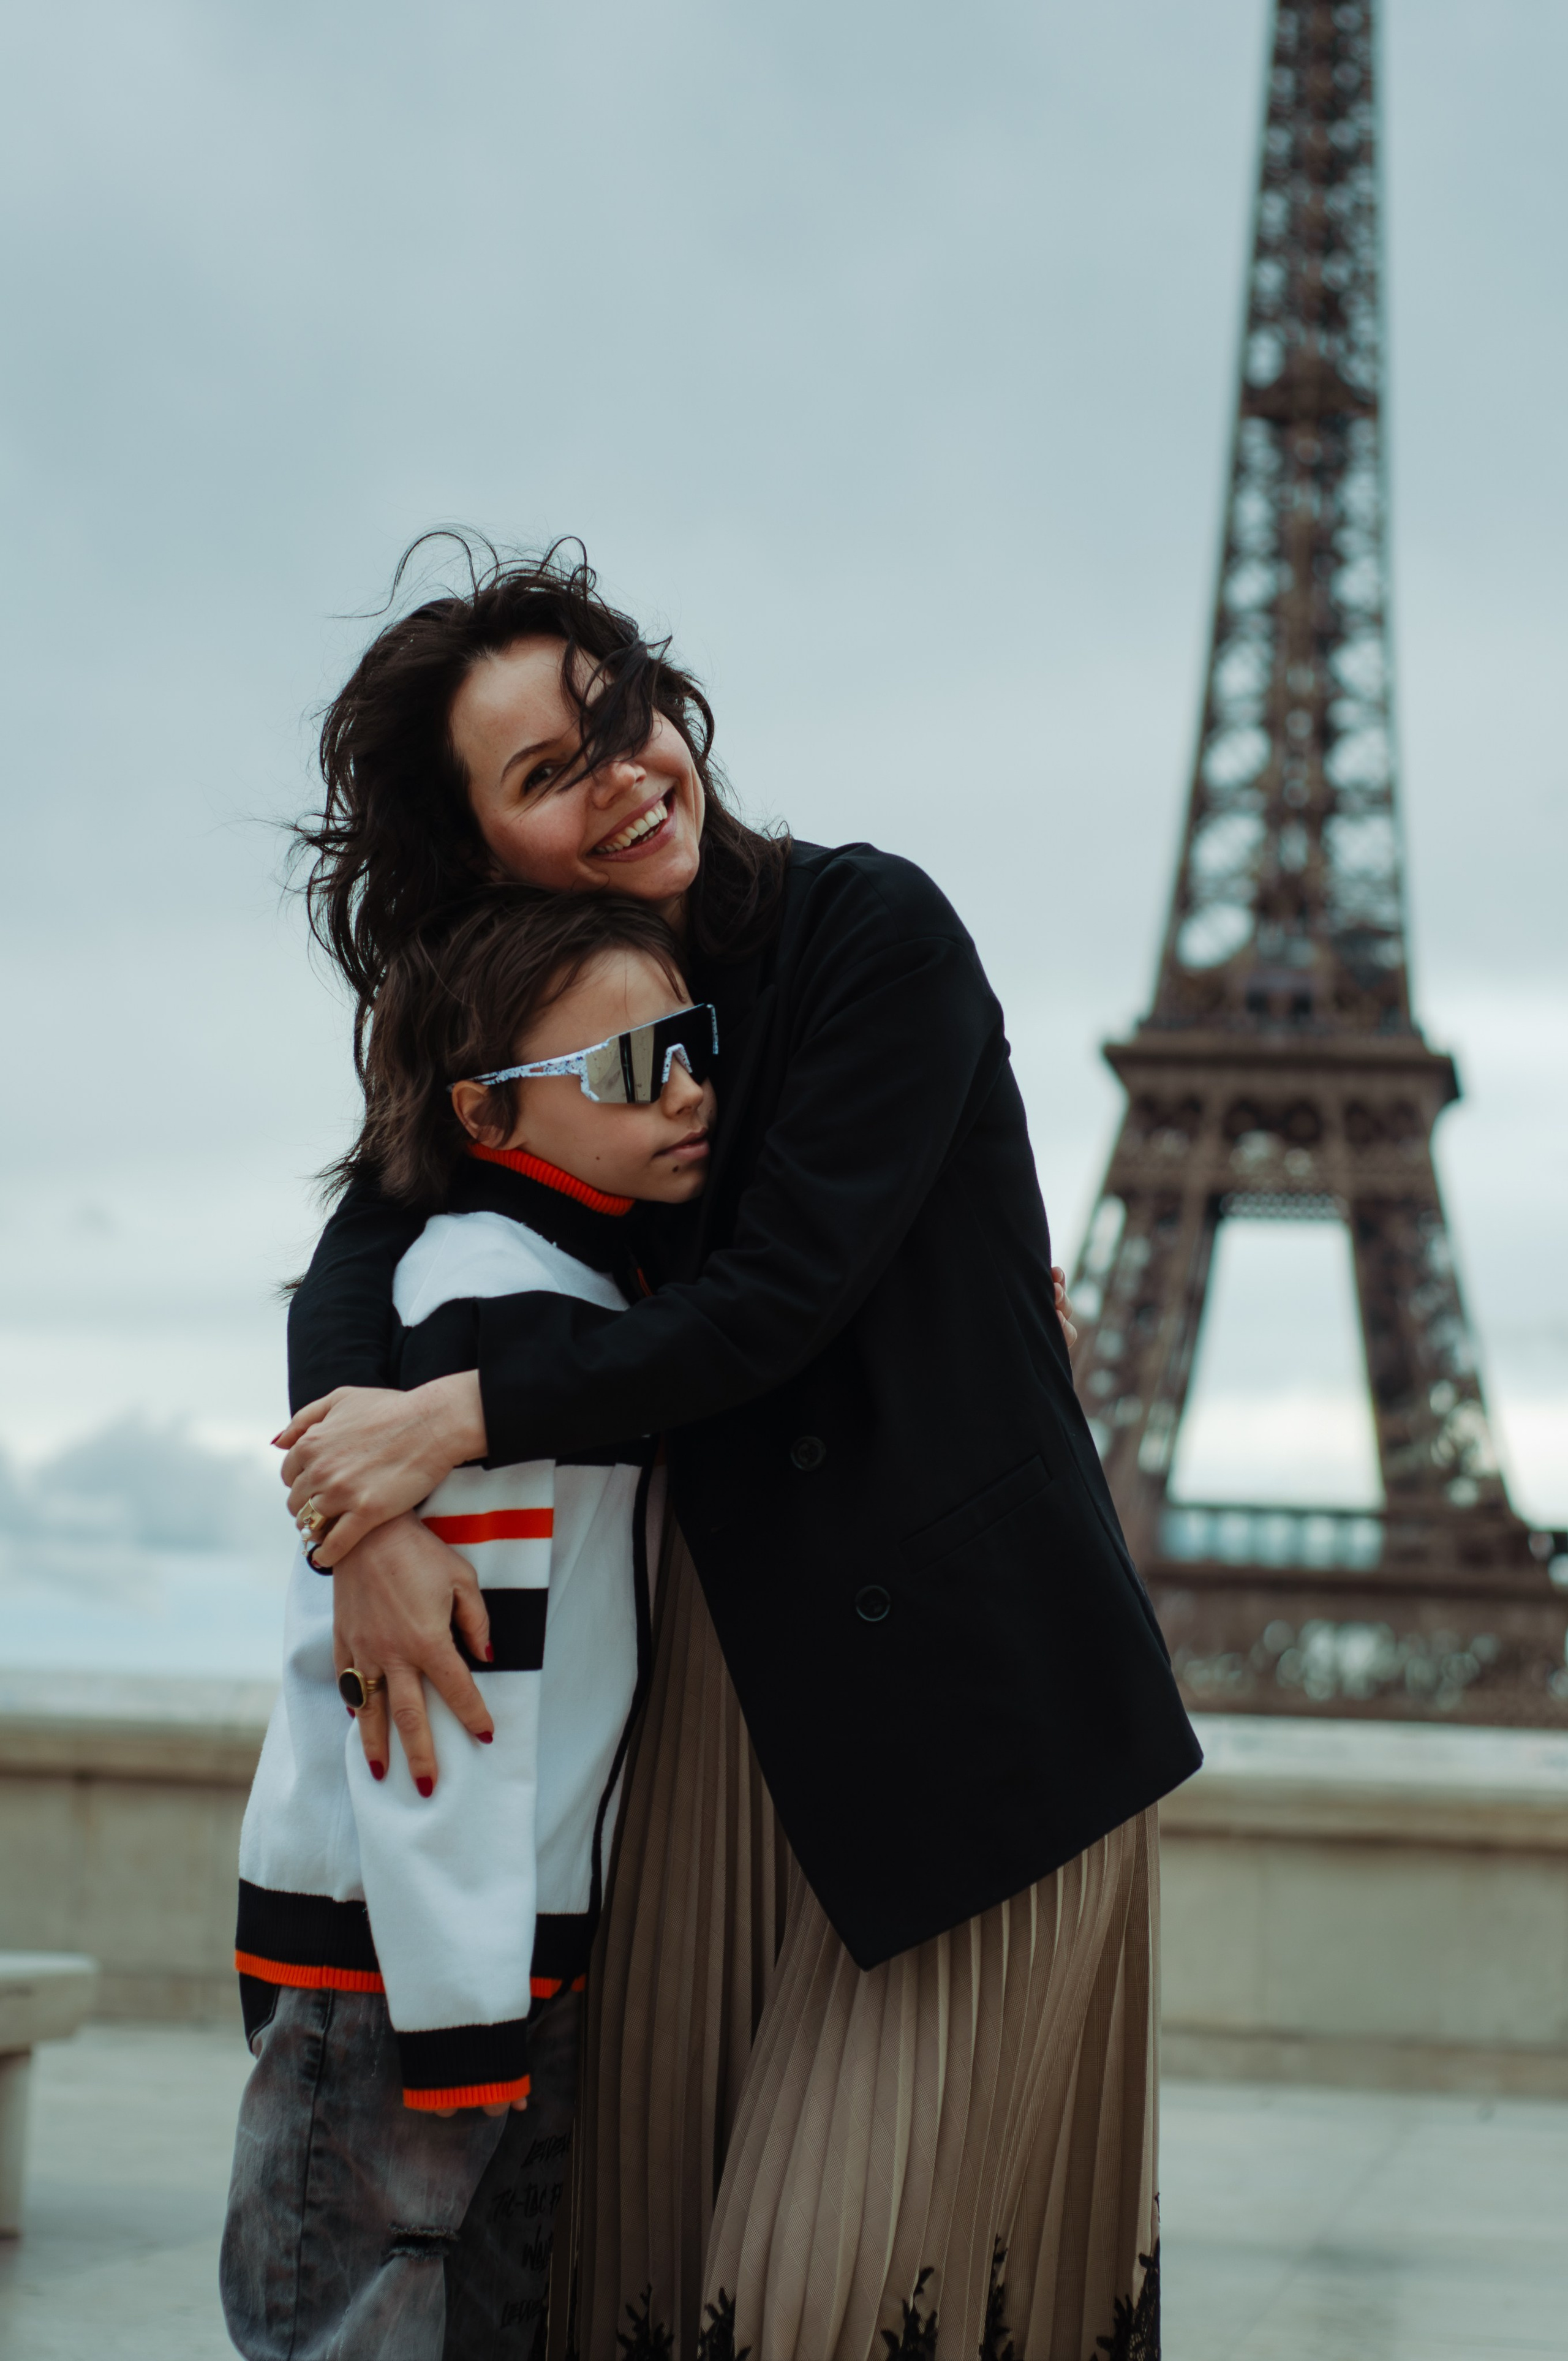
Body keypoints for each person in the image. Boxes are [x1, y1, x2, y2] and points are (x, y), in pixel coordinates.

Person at [277, 540, 1202, 2360]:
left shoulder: (877, 933)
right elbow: (362, 1241)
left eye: (621, 721)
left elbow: (779, 1302)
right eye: (550, 771)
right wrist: (355, 1520)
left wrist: (445, 1423)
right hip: (715, 1734)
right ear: (479, 851)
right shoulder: (544, 1028)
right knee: (635, 2283)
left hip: (971, 1716)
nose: (623, 774)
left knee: (822, 2294)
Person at [222, 890, 716, 2360]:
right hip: (418, 1960)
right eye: (630, 1067)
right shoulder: (484, 1308)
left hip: (482, 1937)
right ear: (488, 1117)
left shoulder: (563, 1285)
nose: (687, 1087)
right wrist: (466, 2015)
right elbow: (433, 1717)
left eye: (691, 1044)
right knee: (365, 2319)